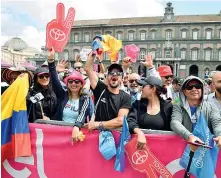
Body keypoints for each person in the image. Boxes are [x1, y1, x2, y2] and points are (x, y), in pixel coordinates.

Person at [48, 49, 92, 142]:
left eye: (77, 81)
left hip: (77, 134)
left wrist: (76, 127)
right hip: (59, 134)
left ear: (81, 84)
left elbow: (82, 114)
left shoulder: (85, 97)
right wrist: (51, 63)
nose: (73, 84)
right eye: (70, 81)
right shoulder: (62, 95)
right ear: (67, 84)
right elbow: (55, 82)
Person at [170, 76, 221, 151]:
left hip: (206, 151)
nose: (194, 89)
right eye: (189, 87)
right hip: (182, 150)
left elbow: (217, 124)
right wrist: (189, 137)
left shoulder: (211, 107)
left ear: (202, 89)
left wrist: (220, 135)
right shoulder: (178, 106)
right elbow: (175, 122)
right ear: (184, 91)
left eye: (198, 86)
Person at [85, 53, 131, 130]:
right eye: (111, 73)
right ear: (106, 77)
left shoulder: (126, 97)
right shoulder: (100, 89)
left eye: (118, 73)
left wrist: (98, 124)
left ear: (122, 79)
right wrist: (93, 53)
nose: (114, 75)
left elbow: (120, 121)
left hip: (115, 136)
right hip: (97, 135)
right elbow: (88, 69)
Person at [127, 76, 173, 149]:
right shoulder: (137, 104)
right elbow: (130, 121)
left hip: (162, 151)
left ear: (153, 89)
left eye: (144, 86)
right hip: (140, 150)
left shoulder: (168, 107)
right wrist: (139, 132)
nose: (141, 88)